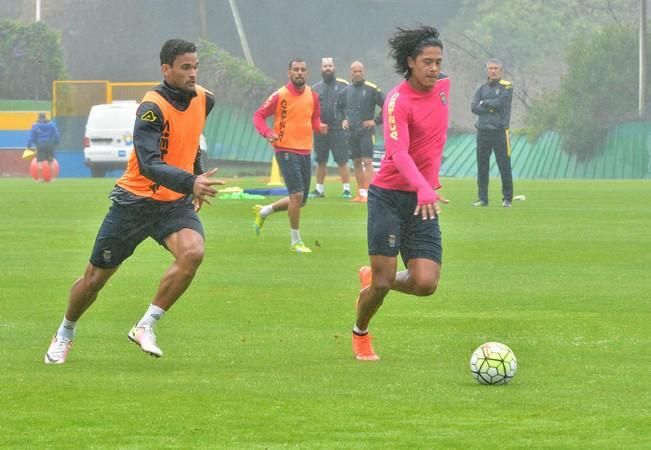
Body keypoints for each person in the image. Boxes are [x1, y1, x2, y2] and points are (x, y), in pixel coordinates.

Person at [44, 39, 223, 364]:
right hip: (134, 202)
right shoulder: (151, 108)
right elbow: (148, 164)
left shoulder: (204, 99)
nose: (193, 74)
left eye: (196, 67)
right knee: (95, 279)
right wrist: (191, 181)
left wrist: (194, 174)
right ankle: (65, 331)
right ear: (165, 69)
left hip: (174, 205)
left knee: (193, 252)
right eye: (186, 67)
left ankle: (145, 325)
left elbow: (193, 138)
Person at [352, 25, 450, 361]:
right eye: (427, 61)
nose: (434, 68)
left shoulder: (443, 89)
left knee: (426, 283)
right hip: (389, 197)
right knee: (380, 287)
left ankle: (377, 276)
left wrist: (426, 188)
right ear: (410, 62)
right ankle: (361, 333)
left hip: (423, 200)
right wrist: (424, 187)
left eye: (438, 61)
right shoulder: (397, 101)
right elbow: (399, 153)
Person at [252, 58, 327, 254]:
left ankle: (264, 211)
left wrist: (319, 127)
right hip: (285, 149)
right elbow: (259, 115)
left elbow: (315, 118)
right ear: (289, 73)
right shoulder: (280, 95)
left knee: (300, 201)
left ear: (307, 73)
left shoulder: (313, 95)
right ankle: (296, 241)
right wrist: (268, 133)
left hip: (305, 151)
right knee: (297, 195)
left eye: (303, 69)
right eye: (296, 69)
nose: (299, 73)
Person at [337, 61, 385, 203]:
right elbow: (338, 108)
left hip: (366, 131)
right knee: (357, 162)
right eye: (354, 71)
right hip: (352, 132)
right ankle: (361, 193)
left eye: (360, 71)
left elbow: (388, 104)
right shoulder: (346, 91)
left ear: (363, 72)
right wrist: (343, 120)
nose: (357, 73)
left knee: (367, 162)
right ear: (350, 73)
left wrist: (375, 121)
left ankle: (371, 194)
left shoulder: (372, 89)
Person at [470, 58, 514, 207]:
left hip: (500, 132)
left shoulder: (506, 87)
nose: (493, 71)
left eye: (496, 68)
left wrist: (485, 103)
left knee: (504, 166)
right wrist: (490, 105)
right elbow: (474, 107)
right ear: (487, 70)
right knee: (482, 166)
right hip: (483, 132)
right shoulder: (481, 89)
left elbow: (501, 103)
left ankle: (507, 199)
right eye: (491, 68)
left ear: (500, 70)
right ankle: (483, 199)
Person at [309, 57, 352, 199]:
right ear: (321, 69)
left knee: (342, 161)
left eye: (330, 66)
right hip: (320, 130)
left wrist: (346, 120)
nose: (328, 68)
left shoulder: (344, 85)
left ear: (334, 68)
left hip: (338, 130)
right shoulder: (314, 89)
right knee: (320, 161)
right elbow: (311, 110)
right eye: (325, 66)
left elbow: (350, 105)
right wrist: (316, 124)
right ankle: (319, 190)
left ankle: (346, 190)